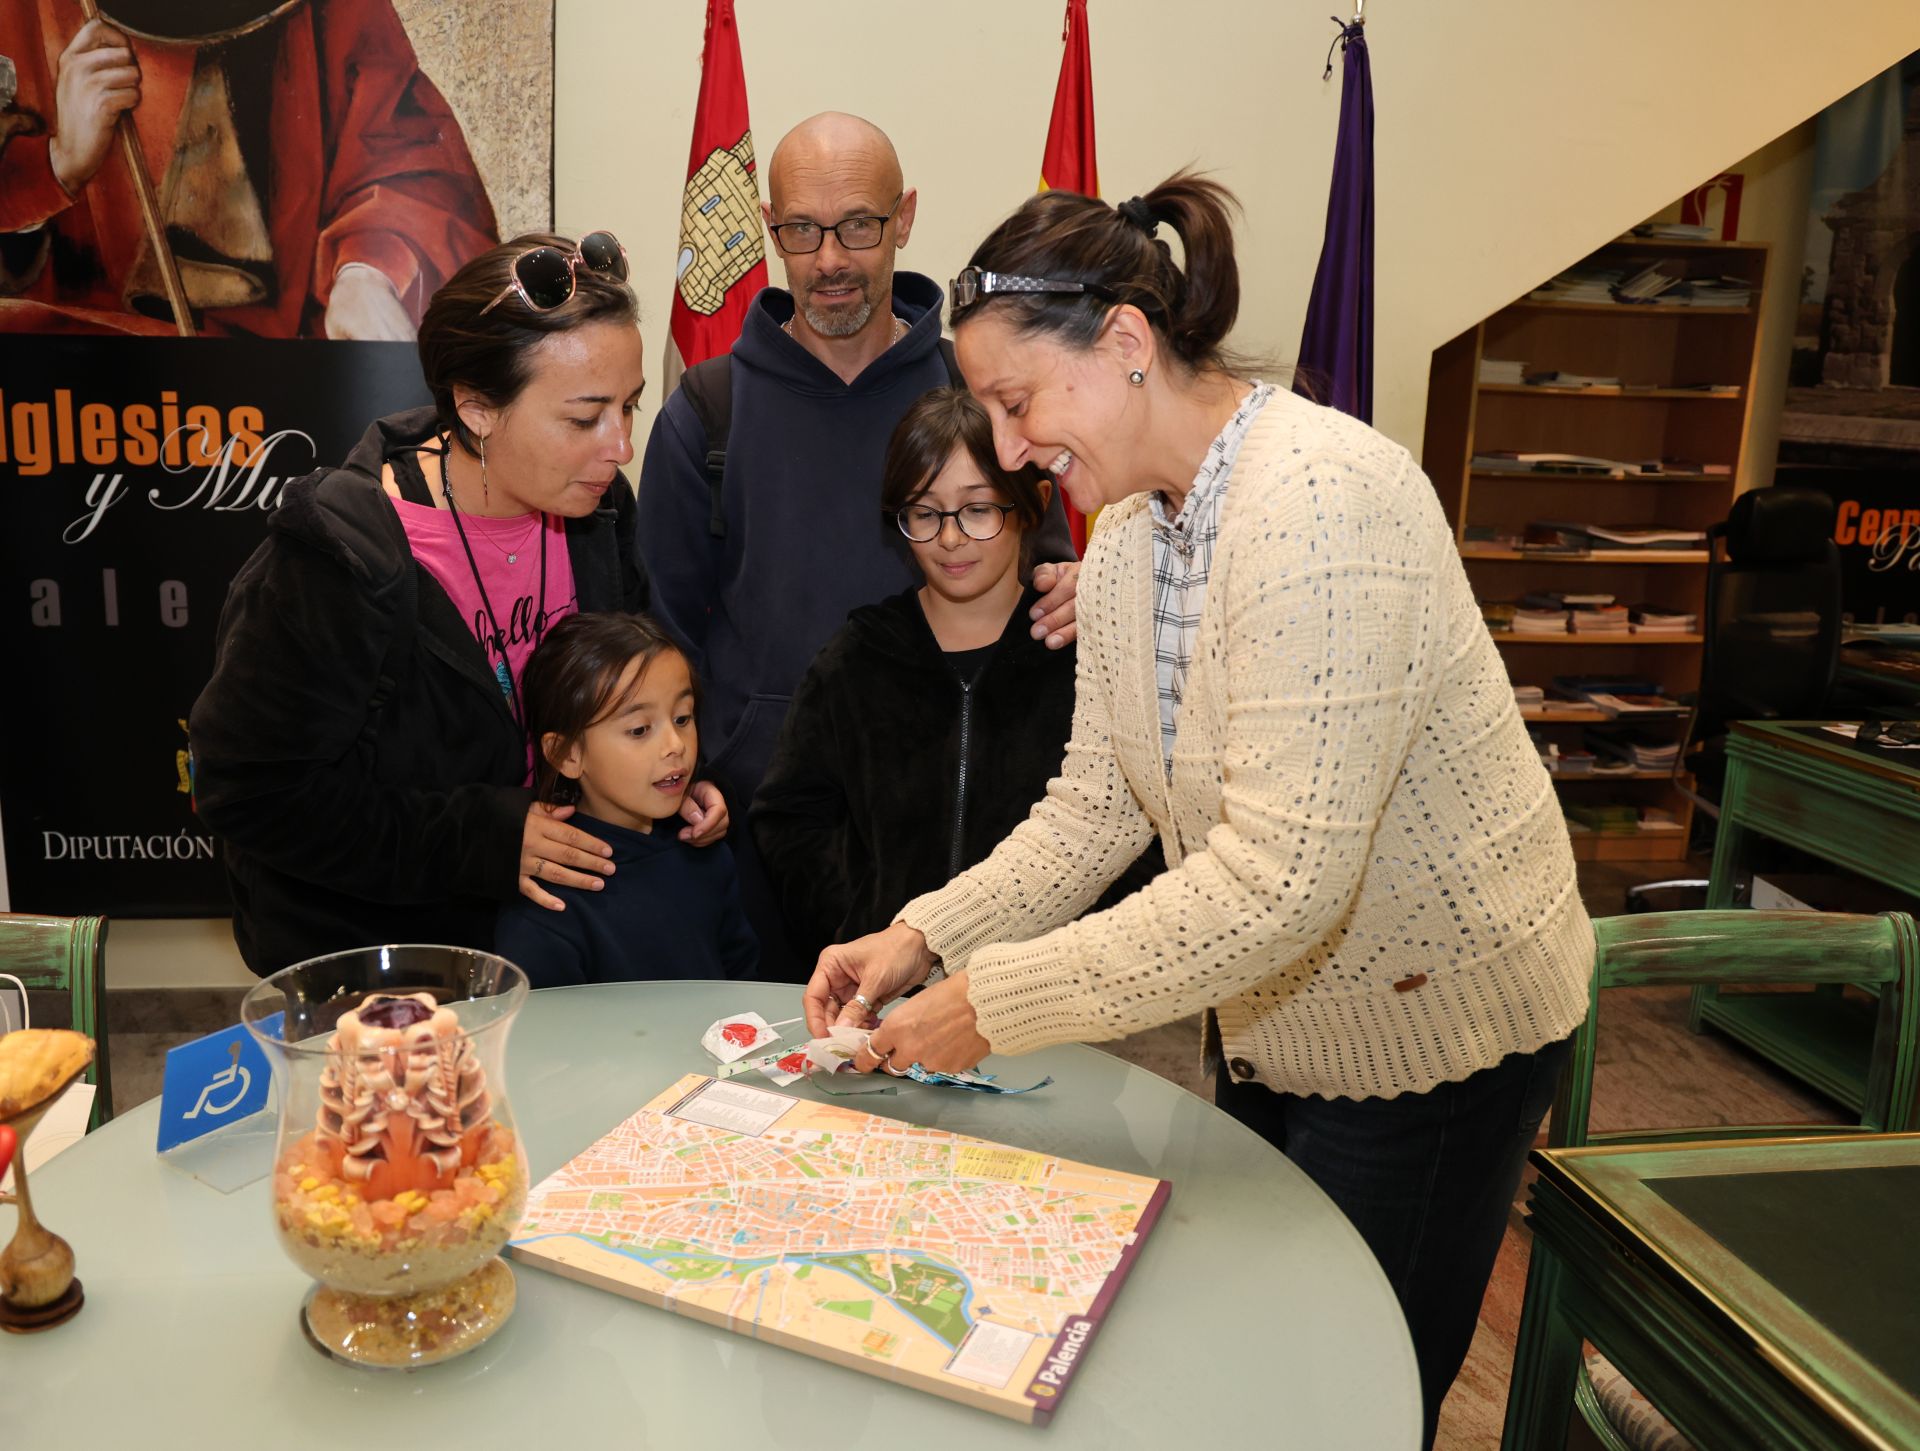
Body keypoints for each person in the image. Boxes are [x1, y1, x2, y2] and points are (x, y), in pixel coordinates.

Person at [802, 176, 1595, 1449]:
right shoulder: (1126, 538)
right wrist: (926, 936)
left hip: (1438, 1032)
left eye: (1018, 404)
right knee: (1264, 1346)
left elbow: (1275, 887)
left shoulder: (1324, 504)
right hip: (1282, 1019)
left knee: (1351, 1386)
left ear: (1123, 344)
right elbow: (1094, 806)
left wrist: (990, 1004)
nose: (1009, 453)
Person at [191, 233, 728, 977]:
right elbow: (250, 792)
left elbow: (616, 701)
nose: (621, 446)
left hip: (546, 956)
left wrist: (670, 777)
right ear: (477, 407)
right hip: (374, 979)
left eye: (629, 408)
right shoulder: (338, 556)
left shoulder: (599, 515)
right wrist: (482, 840)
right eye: (584, 418)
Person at [635, 111, 1080, 981]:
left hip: (965, 853)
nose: (830, 257)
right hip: (753, 847)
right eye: (801, 229)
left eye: (858, 226)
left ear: (903, 220)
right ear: (771, 229)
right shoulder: (706, 413)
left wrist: (1079, 585)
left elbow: (1049, 574)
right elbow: (662, 631)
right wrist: (695, 775)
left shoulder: (980, 390)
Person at [750, 386, 1083, 964]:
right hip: (890, 993)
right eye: (924, 514)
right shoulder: (859, 656)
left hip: (1048, 997)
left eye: (978, 509)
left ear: (1032, 504)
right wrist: (857, 925)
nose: (950, 538)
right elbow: (790, 815)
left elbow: (1126, 825)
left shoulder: (1074, 654)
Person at [0, 2, 496, 337]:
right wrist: (55, 165)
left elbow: (407, 156)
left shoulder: (339, 9)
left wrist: (370, 273)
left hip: (288, 385)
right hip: (88, 398)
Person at [496, 612, 756, 986]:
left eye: (683, 718)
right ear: (567, 754)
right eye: (639, 729)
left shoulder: (706, 852)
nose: (675, 745)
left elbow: (743, 982)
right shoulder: (547, 906)